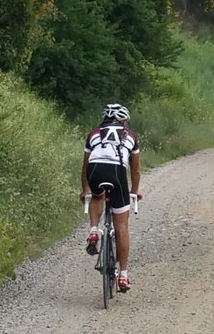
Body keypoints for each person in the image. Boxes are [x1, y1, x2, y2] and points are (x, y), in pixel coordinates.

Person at [80, 103, 141, 293]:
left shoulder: (93, 134)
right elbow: (136, 170)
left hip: (95, 169)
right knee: (121, 226)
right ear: (123, 120)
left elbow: (85, 167)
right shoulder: (129, 136)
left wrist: (85, 190)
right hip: (117, 172)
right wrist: (135, 190)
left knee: (97, 195)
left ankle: (93, 230)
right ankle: (123, 276)